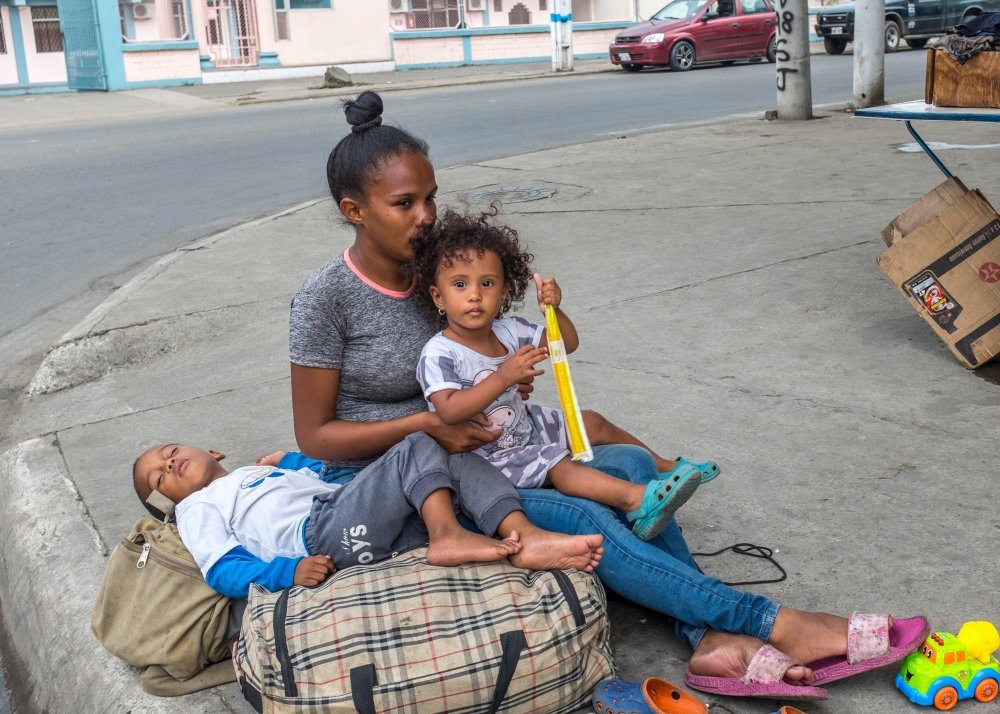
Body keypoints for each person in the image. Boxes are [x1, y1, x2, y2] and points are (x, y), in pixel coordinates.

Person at [287, 90, 929, 701]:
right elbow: (315, 438)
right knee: (590, 518)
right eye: (405, 204)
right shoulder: (327, 299)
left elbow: (519, 348)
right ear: (354, 210)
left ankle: (705, 636)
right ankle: (770, 622)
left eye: (431, 197)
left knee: (623, 465)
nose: (425, 217)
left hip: (492, 447)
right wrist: (430, 425)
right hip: (409, 483)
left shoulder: (447, 276)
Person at [410, 207, 701, 542]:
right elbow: (448, 410)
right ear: (438, 297)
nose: (474, 294)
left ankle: (667, 467)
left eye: (487, 283)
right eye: (460, 284)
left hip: (524, 426)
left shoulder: (510, 330)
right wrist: (504, 377)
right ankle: (635, 500)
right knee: (558, 462)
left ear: (504, 293)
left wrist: (554, 310)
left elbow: (566, 344)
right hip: (484, 458)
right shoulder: (440, 352)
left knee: (590, 421)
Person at [131, 434, 604, 599]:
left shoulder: (254, 476)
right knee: (420, 445)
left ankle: (524, 535)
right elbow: (222, 568)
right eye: (159, 479)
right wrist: (286, 571)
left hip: (355, 524)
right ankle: (446, 536)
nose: (168, 464)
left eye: (170, 452)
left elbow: (338, 482)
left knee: (452, 458)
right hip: (322, 537)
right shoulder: (198, 507)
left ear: (212, 450)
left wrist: (290, 462)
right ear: (169, 503)